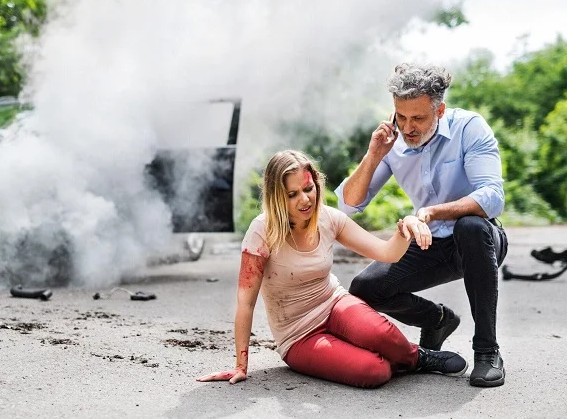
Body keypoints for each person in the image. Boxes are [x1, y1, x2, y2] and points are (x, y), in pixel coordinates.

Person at [197, 150, 467, 388]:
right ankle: (394, 359)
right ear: (277, 197)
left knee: (381, 335)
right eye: (292, 195)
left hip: (334, 303)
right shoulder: (261, 231)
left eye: (308, 189)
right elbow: (245, 304)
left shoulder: (328, 218)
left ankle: (417, 357)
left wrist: (406, 228)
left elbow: (387, 253)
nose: (305, 200)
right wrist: (240, 365)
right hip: (298, 334)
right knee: (375, 371)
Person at [336, 63, 508, 388]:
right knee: (365, 289)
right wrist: (374, 155)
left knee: (471, 227)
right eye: (401, 117)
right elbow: (349, 204)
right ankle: (438, 320)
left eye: (418, 118)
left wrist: (431, 212)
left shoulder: (469, 127)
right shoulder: (394, 142)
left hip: (477, 241)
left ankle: (488, 352)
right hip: (428, 243)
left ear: (439, 110)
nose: (408, 128)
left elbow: (491, 198)